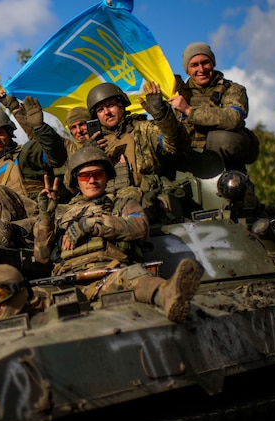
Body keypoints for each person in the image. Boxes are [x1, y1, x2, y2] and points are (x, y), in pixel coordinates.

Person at [33, 147, 201, 322]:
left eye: (97, 174)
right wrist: (45, 216)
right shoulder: (61, 215)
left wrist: (91, 224)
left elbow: (140, 227)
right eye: (84, 176)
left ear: (106, 177)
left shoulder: (122, 203)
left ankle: (171, 297)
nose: (91, 180)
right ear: (76, 182)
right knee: (28, 297)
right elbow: (41, 257)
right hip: (67, 285)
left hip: (111, 276)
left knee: (136, 276)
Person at [0, 94, 68, 249]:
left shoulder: (25, 153)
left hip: (37, 216)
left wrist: (40, 128)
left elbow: (56, 156)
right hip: (9, 227)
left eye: (0, 133)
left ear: (9, 133)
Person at [85, 81, 191, 222]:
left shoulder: (143, 130)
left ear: (121, 106)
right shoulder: (95, 144)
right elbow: (75, 185)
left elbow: (178, 145)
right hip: (107, 208)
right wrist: (88, 155)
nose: (107, 112)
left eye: (110, 105)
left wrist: (162, 116)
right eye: (100, 110)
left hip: (147, 201)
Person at [169, 42, 257, 173]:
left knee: (222, 139)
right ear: (187, 69)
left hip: (226, 167)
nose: (201, 69)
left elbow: (233, 118)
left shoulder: (233, 90)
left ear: (213, 63)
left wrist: (189, 111)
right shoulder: (175, 93)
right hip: (186, 166)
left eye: (205, 62)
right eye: (194, 65)